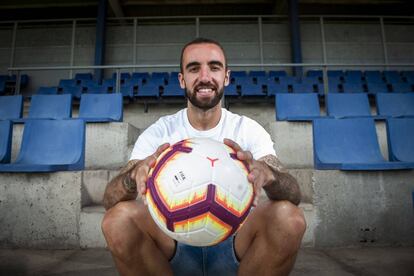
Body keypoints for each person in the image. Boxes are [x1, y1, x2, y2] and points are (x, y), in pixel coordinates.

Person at [101, 37, 306, 276]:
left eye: (214, 67)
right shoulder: (161, 132)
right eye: (194, 68)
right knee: (116, 220)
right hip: (172, 244)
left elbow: (294, 194)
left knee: (290, 218)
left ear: (226, 77)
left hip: (236, 243)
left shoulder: (247, 130)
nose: (205, 76)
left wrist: (269, 174)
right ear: (182, 79)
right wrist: (132, 176)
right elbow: (109, 200)